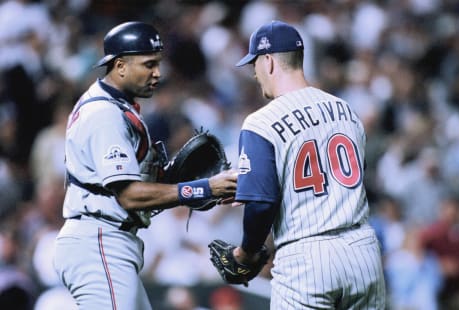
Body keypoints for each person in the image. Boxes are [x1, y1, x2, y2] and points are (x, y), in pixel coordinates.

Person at [53, 21, 237, 310]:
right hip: (99, 240)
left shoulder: (114, 107)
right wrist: (202, 188)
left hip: (107, 240)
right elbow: (129, 195)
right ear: (120, 65)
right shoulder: (105, 115)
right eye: (149, 64)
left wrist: (180, 184)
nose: (158, 73)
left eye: (158, 63)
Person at [230, 20, 386, 309]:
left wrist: (248, 251)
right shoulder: (346, 110)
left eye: (255, 63)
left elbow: (262, 203)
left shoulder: (260, 122)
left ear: (269, 61)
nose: (254, 73)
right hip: (363, 250)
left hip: (307, 256)